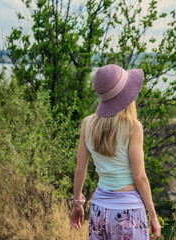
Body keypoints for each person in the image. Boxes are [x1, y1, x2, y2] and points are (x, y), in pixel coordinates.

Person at [69, 64, 161, 240]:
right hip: (129, 211)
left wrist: (77, 204)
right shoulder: (133, 127)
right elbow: (139, 178)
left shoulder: (87, 124)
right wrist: (153, 216)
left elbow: (80, 170)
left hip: (99, 210)